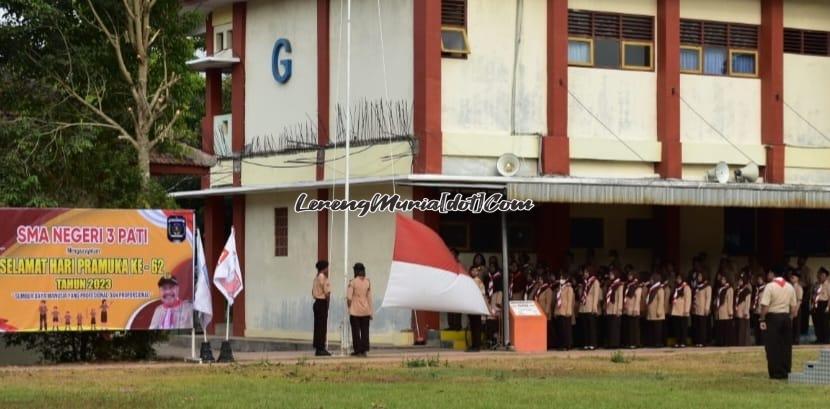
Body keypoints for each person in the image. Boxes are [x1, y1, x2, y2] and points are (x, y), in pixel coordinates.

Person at [759, 272, 798, 380]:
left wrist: (762, 318)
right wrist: (789, 317)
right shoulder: (790, 287)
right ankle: (786, 371)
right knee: (785, 346)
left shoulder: (770, 286)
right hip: (786, 317)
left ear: (773, 274)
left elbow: (765, 306)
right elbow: (794, 308)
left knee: (772, 346)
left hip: (773, 318)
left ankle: (776, 372)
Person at [347, 262, 372, 357]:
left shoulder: (352, 282)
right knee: (365, 331)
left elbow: (349, 298)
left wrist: (349, 307)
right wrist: (371, 312)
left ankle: (357, 350)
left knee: (356, 331)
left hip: (355, 311)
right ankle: (364, 350)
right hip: (366, 310)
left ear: (355, 271)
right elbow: (370, 298)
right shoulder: (368, 282)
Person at [311, 260, 332, 356]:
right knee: (322, 326)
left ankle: (317, 347)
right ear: (324, 268)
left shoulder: (316, 278)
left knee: (317, 326)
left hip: (316, 303)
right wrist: (327, 305)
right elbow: (327, 293)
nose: (328, 269)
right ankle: (321, 348)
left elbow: (312, 292)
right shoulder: (323, 278)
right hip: (322, 302)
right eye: (327, 267)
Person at [578, 268, 601, 350]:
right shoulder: (584, 282)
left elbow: (596, 295)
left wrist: (594, 306)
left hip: (591, 307)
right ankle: (586, 343)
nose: (585, 274)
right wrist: (580, 289)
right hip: (583, 307)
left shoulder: (595, 282)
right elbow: (580, 295)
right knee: (585, 327)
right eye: (584, 272)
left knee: (592, 327)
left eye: (587, 272)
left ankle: (593, 344)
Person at [467, 266, 486, 352]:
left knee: (476, 327)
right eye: (472, 270)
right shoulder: (471, 280)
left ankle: (477, 346)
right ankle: (474, 345)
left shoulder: (478, 281)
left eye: (475, 270)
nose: (473, 272)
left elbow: (481, 294)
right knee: (473, 326)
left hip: (476, 305)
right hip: (472, 305)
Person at [604, 269, 624, 348]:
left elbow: (620, 298)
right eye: (610, 274)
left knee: (615, 328)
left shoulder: (619, 285)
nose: (610, 275)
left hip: (615, 308)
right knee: (609, 327)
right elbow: (607, 296)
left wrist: (619, 309)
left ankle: (615, 344)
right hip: (609, 307)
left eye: (612, 274)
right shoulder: (609, 284)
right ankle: (609, 343)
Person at [622, 271, 642, 349]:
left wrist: (635, 309)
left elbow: (637, 299)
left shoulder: (638, 287)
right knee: (629, 327)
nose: (629, 277)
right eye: (629, 275)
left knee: (634, 327)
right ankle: (629, 342)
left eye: (631, 275)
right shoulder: (628, 285)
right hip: (628, 308)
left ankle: (635, 343)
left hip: (634, 309)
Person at [553, 275, 574, 350]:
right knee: (560, 329)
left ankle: (567, 345)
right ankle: (561, 345)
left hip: (565, 311)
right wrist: (555, 311)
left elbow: (569, 300)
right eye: (560, 278)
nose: (561, 280)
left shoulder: (569, 288)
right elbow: (557, 300)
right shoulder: (559, 288)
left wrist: (568, 311)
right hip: (559, 310)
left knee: (566, 329)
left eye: (562, 278)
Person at [670, 274, 691, 348]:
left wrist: (686, 310)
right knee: (677, 328)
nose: (678, 279)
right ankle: (678, 341)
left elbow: (688, 300)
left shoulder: (686, 287)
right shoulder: (676, 287)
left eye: (679, 278)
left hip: (683, 311)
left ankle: (683, 342)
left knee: (683, 327)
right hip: (676, 310)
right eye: (677, 278)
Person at [645, 273, 665, 348]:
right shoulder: (651, 289)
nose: (651, 281)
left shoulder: (660, 289)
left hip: (657, 313)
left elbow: (661, 301)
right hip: (651, 312)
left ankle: (658, 343)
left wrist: (659, 311)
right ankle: (652, 342)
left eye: (652, 279)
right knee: (651, 329)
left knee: (657, 329)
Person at [691, 272, 711, 347]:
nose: (699, 277)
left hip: (703, 309)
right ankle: (697, 341)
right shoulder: (697, 286)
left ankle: (703, 342)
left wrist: (707, 308)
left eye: (700, 276)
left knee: (702, 327)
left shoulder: (707, 287)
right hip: (697, 308)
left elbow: (708, 298)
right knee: (697, 326)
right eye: (698, 276)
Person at [714, 275, 734, 346]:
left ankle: (726, 342)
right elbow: (717, 298)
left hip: (726, 311)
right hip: (719, 310)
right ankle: (720, 342)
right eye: (722, 280)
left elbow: (730, 301)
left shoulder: (729, 289)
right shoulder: (720, 288)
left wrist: (730, 312)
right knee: (720, 328)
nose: (722, 281)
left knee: (726, 328)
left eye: (724, 280)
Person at [811, 267, 829, 344]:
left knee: (825, 323)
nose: (819, 276)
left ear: (826, 276)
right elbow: (813, 294)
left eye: (822, 275)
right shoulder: (816, 284)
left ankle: (826, 340)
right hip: (816, 304)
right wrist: (812, 305)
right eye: (819, 274)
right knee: (817, 322)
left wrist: (828, 307)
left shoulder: (828, 285)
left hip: (824, 304)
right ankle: (819, 338)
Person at [537, 274, 555, 350]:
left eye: (541, 279)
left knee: (548, 330)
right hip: (539, 313)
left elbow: (548, 302)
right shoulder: (539, 289)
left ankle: (550, 344)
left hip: (545, 313)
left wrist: (546, 312)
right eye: (539, 279)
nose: (539, 281)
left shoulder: (548, 290)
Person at [734, 275, 752, 346]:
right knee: (739, 328)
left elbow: (748, 302)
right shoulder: (737, 290)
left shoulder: (747, 291)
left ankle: (744, 343)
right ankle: (738, 342)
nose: (739, 282)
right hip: (738, 312)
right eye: (739, 281)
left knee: (744, 329)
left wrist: (746, 311)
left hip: (744, 313)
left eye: (741, 281)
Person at [789, 272, 803, 345]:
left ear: (797, 279)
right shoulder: (789, 287)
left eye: (793, 277)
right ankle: (791, 339)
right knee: (791, 325)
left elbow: (799, 301)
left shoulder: (799, 288)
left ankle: (796, 340)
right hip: (790, 308)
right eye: (791, 277)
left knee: (796, 325)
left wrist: (796, 310)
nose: (791, 278)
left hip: (796, 308)